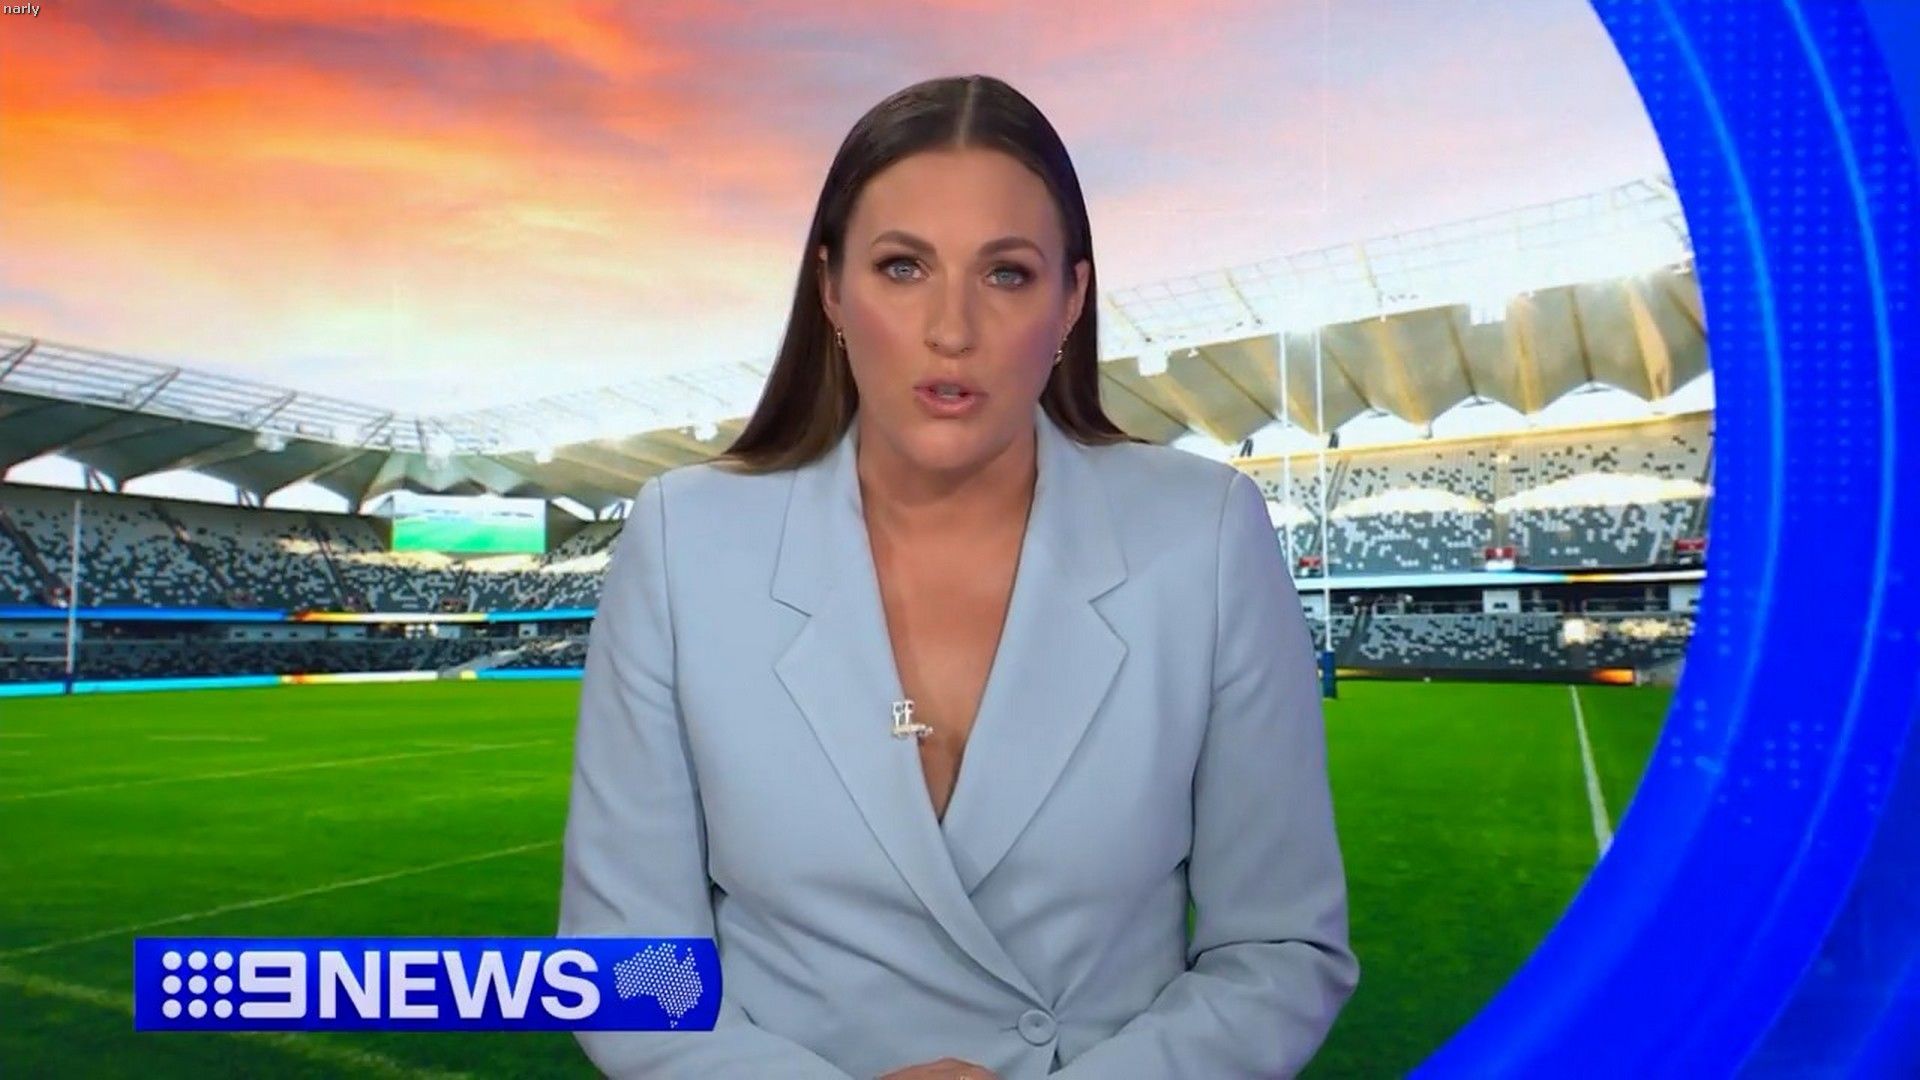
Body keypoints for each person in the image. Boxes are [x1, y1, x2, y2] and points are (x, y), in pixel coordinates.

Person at [559, 74, 1358, 1079]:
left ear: (1071, 300)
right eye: (902, 267)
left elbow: (1279, 951)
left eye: (1006, 274)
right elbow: (630, 968)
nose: (951, 329)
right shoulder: (684, 540)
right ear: (831, 290)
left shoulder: (1205, 536)